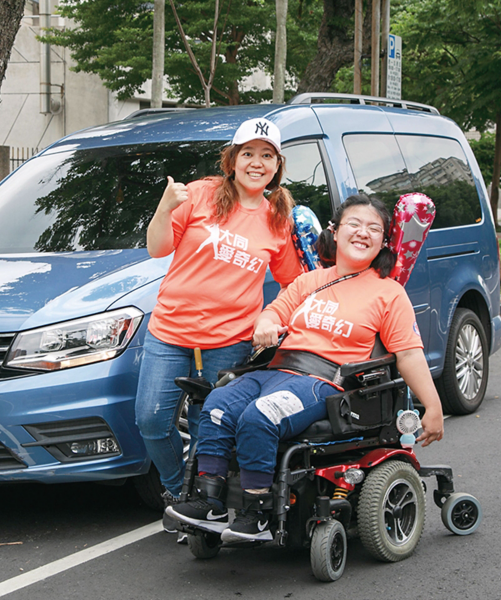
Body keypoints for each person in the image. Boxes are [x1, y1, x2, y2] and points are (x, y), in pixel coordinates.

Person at [166, 194, 445, 543]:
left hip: (323, 380)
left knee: (259, 417)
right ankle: (209, 503)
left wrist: (432, 407)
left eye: (374, 228)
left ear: (384, 241)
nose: (363, 233)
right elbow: (273, 313)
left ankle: (257, 513)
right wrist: (266, 323)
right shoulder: (308, 282)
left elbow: (409, 355)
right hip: (275, 370)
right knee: (217, 406)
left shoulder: (388, 293)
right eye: (354, 224)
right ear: (335, 231)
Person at [135, 118, 304, 535]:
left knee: (212, 423)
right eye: (248, 153)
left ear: (277, 166)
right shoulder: (199, 194)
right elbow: (157, 248)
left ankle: (206, 503)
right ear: (232, 159)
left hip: (230, 341)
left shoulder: (278, 219)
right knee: (151, 422)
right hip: (169, 332)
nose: (256, 163)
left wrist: (273, 317)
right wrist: (163, 206)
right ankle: (178, 493)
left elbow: (294, 282)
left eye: (267, 156)